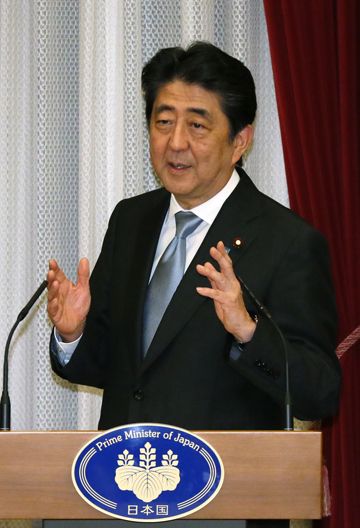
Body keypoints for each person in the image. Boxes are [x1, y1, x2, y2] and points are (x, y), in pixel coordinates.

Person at [47, 42, 341, 528]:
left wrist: (249, 332)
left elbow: (319, 391)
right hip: (118, 497)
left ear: (240, 141)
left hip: (226, 503)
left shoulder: (287, 241)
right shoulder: (131, 220)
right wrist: (74, 333)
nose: (175, 142)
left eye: (198, 125)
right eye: (163, 122)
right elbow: (125, 372)